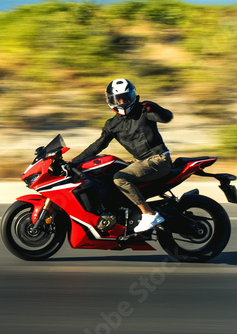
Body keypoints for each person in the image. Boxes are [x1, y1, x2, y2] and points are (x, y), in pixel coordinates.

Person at [72, 78, 173, 233]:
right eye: (117, 99)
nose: (122, 101)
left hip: (158, 159)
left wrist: (155, 108)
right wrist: (72, 162)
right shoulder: (113, 124)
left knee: (120, 178)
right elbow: (97, 146)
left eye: (125, 97)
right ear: (111, 101)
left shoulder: (144, 111)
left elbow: (167, 117)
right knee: (107, 175)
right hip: (141, 161)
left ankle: (149, 214)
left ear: (132, 96)